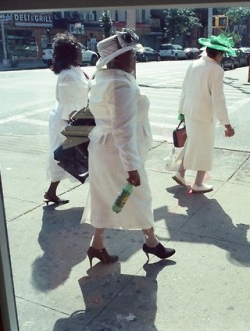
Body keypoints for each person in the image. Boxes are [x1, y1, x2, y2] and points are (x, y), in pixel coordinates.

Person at [81, 30, 175, 266]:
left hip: (103, 150)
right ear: (118, 58)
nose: (134, 57)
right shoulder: (120, 84)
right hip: (119, 154)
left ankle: (97, 245)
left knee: (104, 198)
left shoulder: (102, 79)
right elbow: (122, 130)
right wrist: (132, 167)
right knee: (140, 198)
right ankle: (151, 243)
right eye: (130, 53)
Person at [172, 34, 236, 193]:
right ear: (219, 54)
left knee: (192, 143)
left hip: (190, 112)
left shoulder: (194, 64)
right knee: (205, 148)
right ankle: (198, 183)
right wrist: (227, 124)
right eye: (223, 54)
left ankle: (180, 172)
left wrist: (181, 111)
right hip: (204, 116)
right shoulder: (216, 70)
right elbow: (218, 99)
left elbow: (184, 89)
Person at [44, 33, 89, 205]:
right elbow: (68, 102)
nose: (81, 51)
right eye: (77, 49)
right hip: (67, 121)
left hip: (76, 118)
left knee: (69, 156)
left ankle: (51, 192)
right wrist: (76, 127)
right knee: (63, 156)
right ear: (70, 53)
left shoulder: (75, 70)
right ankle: (51, 192)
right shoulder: (67, 75)